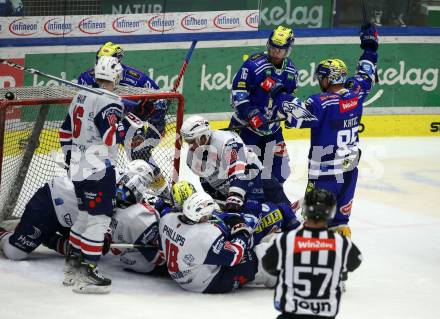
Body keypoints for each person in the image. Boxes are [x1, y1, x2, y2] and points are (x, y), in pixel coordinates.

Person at [272, 23, 379, 237]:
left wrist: (278, 93)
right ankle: (338, 262)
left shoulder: (321, 102)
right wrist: (370, 47)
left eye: (322, 77)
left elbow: (296, 118)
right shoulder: (356, 94)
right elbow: (366, 74)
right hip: (349, 173)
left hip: (324, 176)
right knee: (340, 224)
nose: (320, 81)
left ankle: (313, 263)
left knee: (314, 225)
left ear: (328, 78)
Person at [59, 55, 128, 294]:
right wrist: (123, 123)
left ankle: (72, 269)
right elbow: (111, 137)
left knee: (85, 216)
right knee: (99, 220)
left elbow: (64, 131)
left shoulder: (80, 95)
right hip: (98, 166)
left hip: (79, 164)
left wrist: (71, 158)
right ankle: (88, 273)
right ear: (116, 76)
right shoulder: (111, 102)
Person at [0, 160, 156, 262]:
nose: (139, 185)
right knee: (14, 253)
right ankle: (3, 233)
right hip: (51, 204)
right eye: (141, 178)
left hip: (75, 217)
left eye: (145, 181)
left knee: (87, 252)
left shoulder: (130, 192)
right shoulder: (112, 176)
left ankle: (47, 237)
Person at [262, 188, 363, 319]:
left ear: (305, 209)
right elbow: (355, 262)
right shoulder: (341, 243)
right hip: (325, 316)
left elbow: (268, 265)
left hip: (291, 315)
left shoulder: (286, 239)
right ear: (331, 212)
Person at [158, 192, 277, 293]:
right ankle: (277, 275)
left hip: (182, 272)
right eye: (208, 215)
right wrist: (241, 231)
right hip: (208, 282)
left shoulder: (168, 219)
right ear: (202, 217)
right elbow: (234, 256)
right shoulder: (202, 237)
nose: (210, 216)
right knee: (253, 257)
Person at [78, 41, 168, 169]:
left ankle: (162, 189)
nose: (102, 66)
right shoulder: (86, 79)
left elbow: (160, 100)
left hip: (130, 122)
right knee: (100, 165)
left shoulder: (136, 78)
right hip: (101, 126)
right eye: (99, 60)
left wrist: (157, 124)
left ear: (118, 61)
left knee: (141, 158)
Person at [229, 25, 299, 184]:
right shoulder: (253, 64)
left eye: (280, 50)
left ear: (288, 50)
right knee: (240, 174)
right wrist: (251, 114)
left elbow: (288, 98)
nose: (275, 53)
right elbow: (237, 94)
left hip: (272, 131)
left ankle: (271, 205)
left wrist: (288, 115)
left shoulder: (291, 71)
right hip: (245, 127)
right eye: (273, 48)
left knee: (280, 172)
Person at [180, 115, 291, 214]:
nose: (191, 147)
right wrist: (218, 203)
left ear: (204, 136)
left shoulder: (225, 140)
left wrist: (235, 195)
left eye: (193, 141)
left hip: (262, 183)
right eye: (188, 142)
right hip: (235, 196)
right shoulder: (191, 158)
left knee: (287, 215)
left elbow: (239, 169)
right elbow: (206, 182)